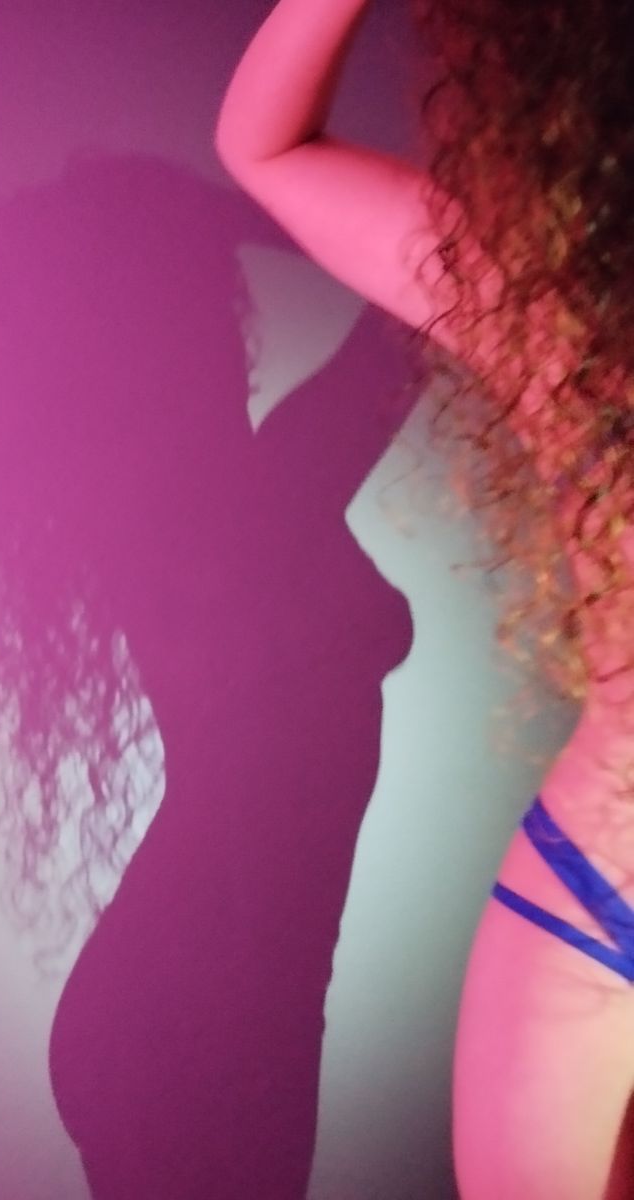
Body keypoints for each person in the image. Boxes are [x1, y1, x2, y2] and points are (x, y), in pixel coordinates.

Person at [0, 150, 415, 1198]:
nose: (238, 337)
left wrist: (185, 225)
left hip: (199, 1001)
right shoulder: (262, 500)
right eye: (209, 312)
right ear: (169, 343)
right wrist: (243, 214)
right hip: (211, 1015)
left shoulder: (172, 525)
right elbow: (429, 272)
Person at [216, 0, 634, 1196]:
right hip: (589, 913)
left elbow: (265, 152)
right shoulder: (560, 304)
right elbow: (264, 148)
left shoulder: (558, 308)